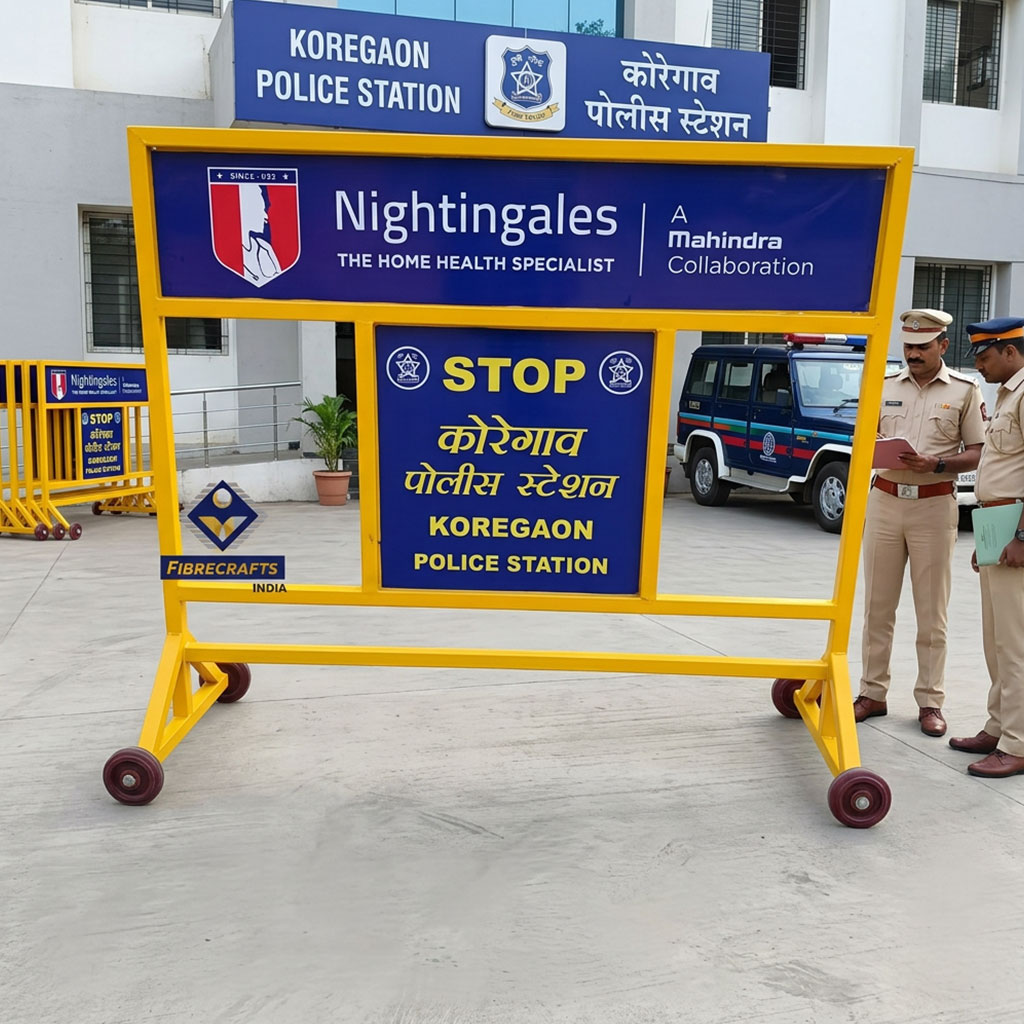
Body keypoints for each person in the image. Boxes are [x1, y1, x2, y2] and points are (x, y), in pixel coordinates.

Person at [854, 309, 985, 736]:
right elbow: (862, 437)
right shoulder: (883, 385)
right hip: (885, 500)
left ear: (942, 346)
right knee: (877, 607)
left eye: (922, 347)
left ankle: (931, 701)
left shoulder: (964, 390)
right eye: (908, 346)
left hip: (933, 505)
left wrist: (938, 463)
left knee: (932, 612)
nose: (913, 354)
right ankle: (872, 693)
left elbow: (978, 450)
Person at [949, 317, 1024, 777]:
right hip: (998, 523)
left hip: (1016, 526)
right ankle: (998, 726)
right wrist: (990, 540)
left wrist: (1020, 536)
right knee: (996, 640)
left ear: (1011, 351)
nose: (978, 366)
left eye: (984, 357)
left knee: (1015, 644)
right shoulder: (1006, 395)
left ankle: (1018, 742)